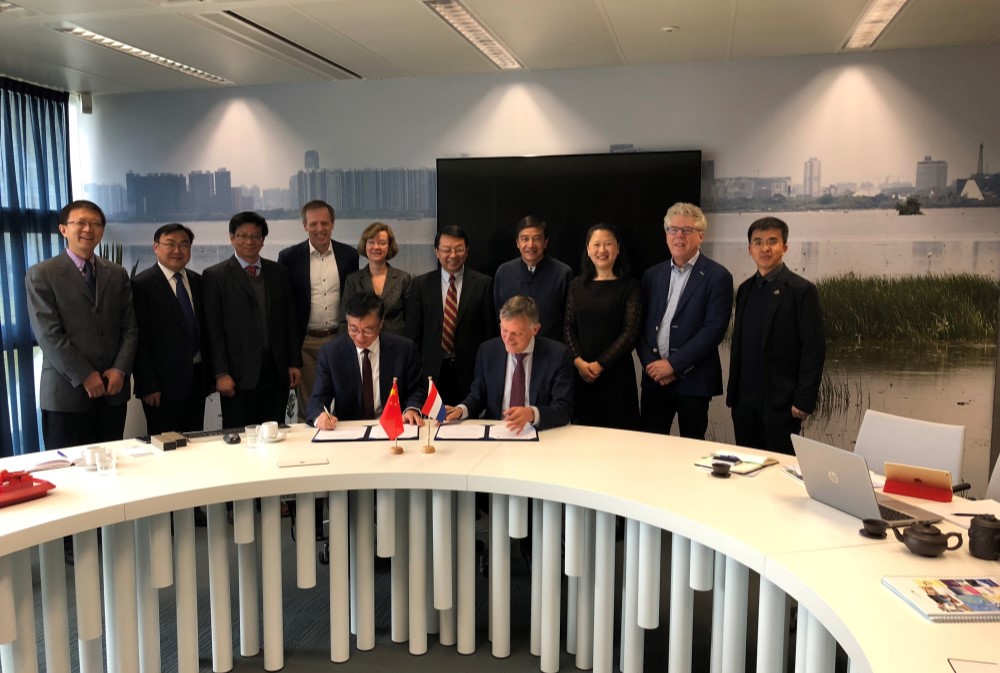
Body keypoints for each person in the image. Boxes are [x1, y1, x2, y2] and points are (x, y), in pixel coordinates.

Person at [26, 199, 138, 450]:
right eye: (81, 223)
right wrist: (85, 376)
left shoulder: (117, 273)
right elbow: (49, 335)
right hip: (67, 395)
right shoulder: (42, 274)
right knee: (69, 474)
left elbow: (129, 328)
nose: (88, 229)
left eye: (95, 224)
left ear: (102, 231)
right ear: (63, 229)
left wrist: (120, 370)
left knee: (112, 467)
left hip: (113, 391)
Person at [726, 216, 825, 455]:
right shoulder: (745, 289)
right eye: (758, 242)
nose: (765, 248)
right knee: (747, 465)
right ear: (750, 249)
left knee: (780, 470)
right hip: (745, 401)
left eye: (772, 241)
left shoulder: (801, 290)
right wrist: (734, 397)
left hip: (782, 402)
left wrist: (804, 400)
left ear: (785, 247)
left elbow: (813, 349)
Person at [637, 203, 734, 440]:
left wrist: (672, 365)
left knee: (692, 448)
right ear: (666, 235)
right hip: (654, 379)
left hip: (694, 380)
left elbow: (713, 331)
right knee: (649, 446)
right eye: (673, 230)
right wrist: (653, 365)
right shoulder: (652, 275)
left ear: (701, 236)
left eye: (687, 231)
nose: (679, 236)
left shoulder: (718, 276)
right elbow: (639, 327)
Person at [203, 211, 302, 429]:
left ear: (263, 240)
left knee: (275, 431)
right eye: (242, 235)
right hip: (237, 375)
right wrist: (221, 373)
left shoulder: (279, 272)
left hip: (276, 371)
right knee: (239, 436)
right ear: (231, 237)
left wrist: (294, 361)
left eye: (255, 236)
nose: (249, 241)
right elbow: (213, 330)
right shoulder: (215, 276)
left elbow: (289, 321)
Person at [278, 200, 359, 423]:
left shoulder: (349, 255)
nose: (320, 229)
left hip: (340, 339)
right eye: (313, 224)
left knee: (346, 400)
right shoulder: (289, 258)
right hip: (306, 343)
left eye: (325, 223)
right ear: (305, 225)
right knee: (310, 407)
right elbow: (284, 307)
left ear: (333, 224)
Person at [446, 295, 574, 433]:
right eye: (504, 330)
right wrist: (461, 409)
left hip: (540, 434)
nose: (508, 339)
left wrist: (532, 414)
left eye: (516, 333)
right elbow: (478, 396)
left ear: (535, 329)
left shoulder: (558, 355)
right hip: (497, 432)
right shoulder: (488, 351)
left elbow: (563, 410)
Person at [132, 223, 210, 435]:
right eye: (170, 244)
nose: (178, 250)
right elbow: (139, 340)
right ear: (156, 247)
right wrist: (147, 385)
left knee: (196, 442)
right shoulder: (141, 285)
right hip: (161, 387)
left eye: (184, 244)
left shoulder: (198, 281)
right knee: (165, 447)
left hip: (196, 381)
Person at [405, 225, 495, 404]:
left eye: (458, 249)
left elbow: (490, 333)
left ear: (467, 251)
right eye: (446, 250)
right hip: (432, 372)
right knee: (432, 426)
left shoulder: (484, 284)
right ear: (437, 252)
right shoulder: (420, 285)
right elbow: (413, 335)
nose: (452, 255)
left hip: (471, 372)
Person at [306, 293, 425, 429]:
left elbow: (416, 390)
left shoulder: (404, 349)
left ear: (381, 324)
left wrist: (412, 408)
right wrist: (319, 417)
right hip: (349, 430)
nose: (360, 337)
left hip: (393, 427)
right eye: (353, 329)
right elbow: (318, 399)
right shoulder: (331, 353)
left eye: (368, 330)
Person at [564, 223, 641, 430]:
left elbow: (630, 334)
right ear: (588, 250)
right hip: (582, 378)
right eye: (596, 244)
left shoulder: (630, 286)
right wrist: (579, 363)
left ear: (618, 249)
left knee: (620, 443)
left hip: (617, 379)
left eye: (608, 244)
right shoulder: (576, 285)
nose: (602, 250)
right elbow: (569, 328)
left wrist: (600, 365)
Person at [493, 215, 573, 342]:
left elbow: (569, 322)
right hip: (513, 349)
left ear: (545, 242)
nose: (531, 245)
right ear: (517, 243)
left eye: (537, 239)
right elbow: (497, 315)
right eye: (525, 239)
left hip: (552, 350)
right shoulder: (503, 272)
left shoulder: (563, 273)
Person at [341, 221, 412, 336]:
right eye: (371, 242)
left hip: (396, 344)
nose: (376, 247)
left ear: (389, 246)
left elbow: (411, 320)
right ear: (365, 246)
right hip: (362, 343)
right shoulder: (353, 279)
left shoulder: (403, 278)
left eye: (382, 243)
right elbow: (344, 320)